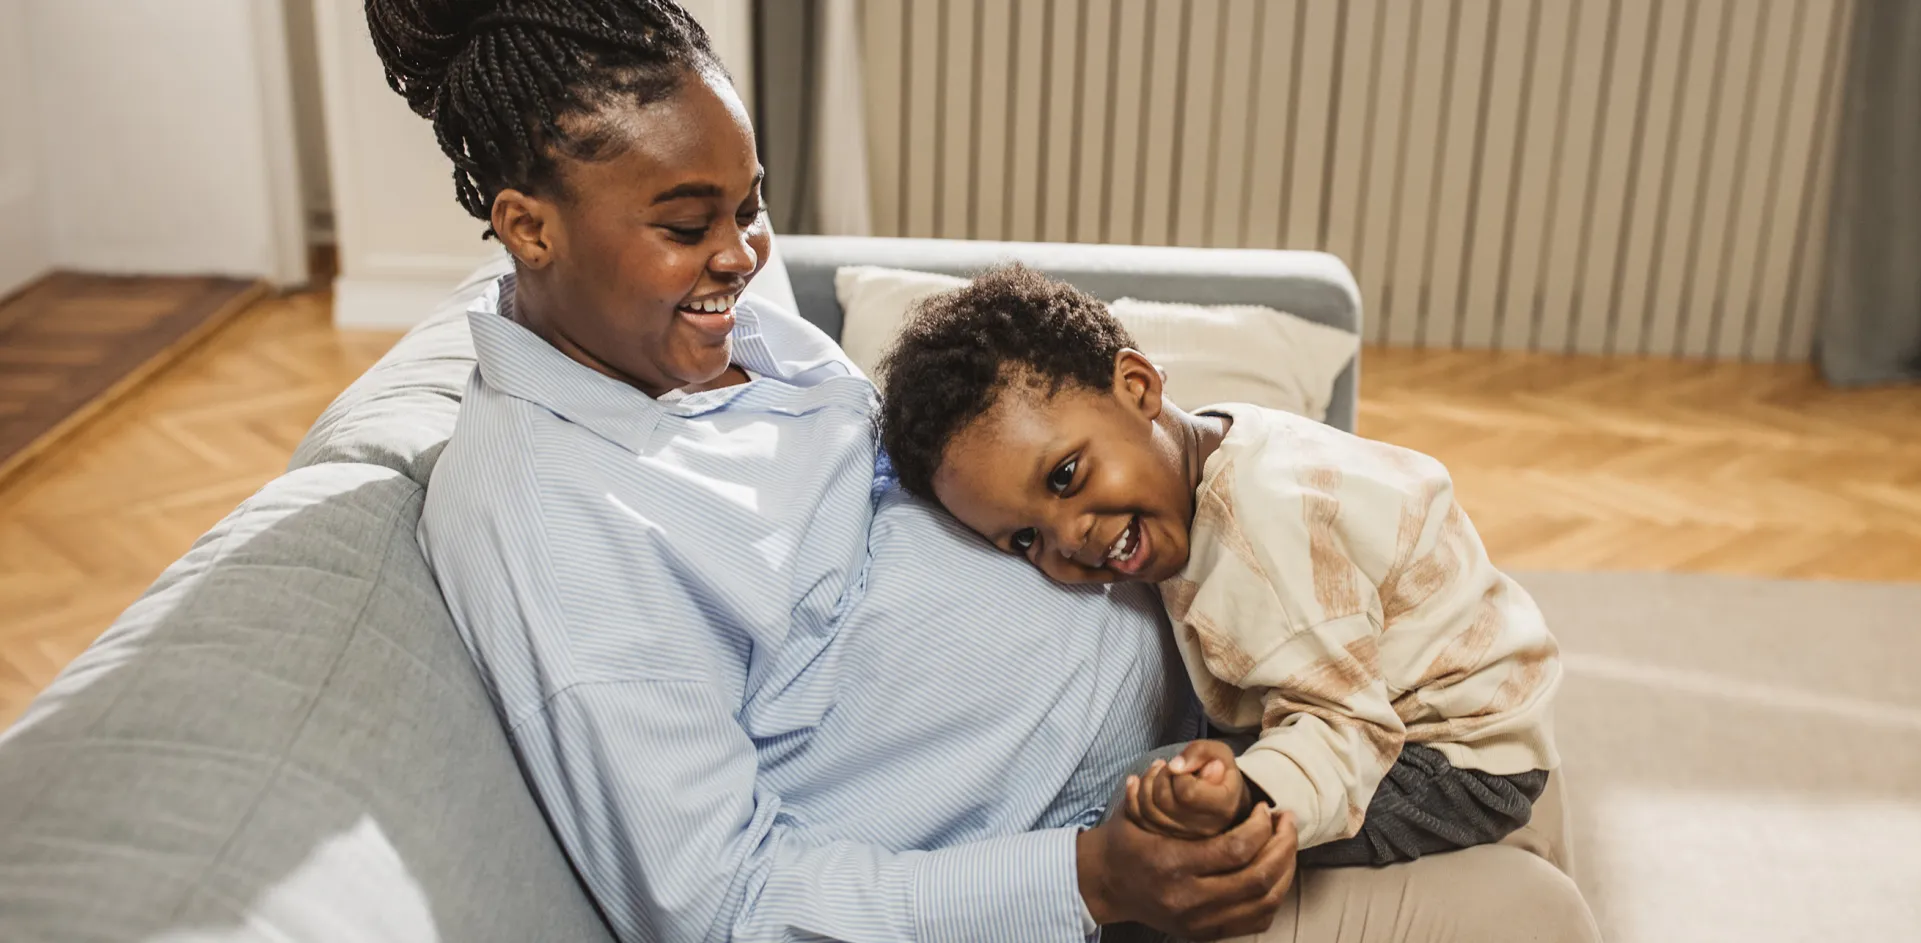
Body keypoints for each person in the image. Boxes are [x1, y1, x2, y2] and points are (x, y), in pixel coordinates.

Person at [370, 1, 1594, 941]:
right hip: (1114, 845)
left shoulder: (715, 327)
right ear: (531, 225)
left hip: (1238, 676)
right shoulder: (546, 518)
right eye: (690, 226)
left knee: (1498, 713)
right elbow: (726, 900)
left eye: (752, 208)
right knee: (1533, 913)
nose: (742, 259)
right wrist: (1088, 879)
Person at [873, 267, 1563, 869]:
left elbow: (1350, 731)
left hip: (1457, 758)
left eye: (1065, 476)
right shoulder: (1212, 447)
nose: (1070, 538)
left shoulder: (1257, 541)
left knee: (1170, 845)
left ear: (1138, 385)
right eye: (1025, 539)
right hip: (1413, 681)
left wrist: (1246, 795)